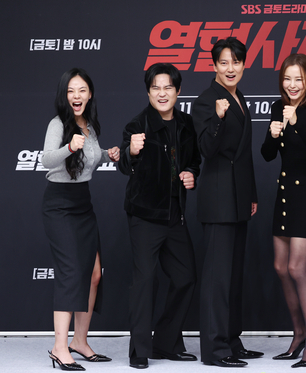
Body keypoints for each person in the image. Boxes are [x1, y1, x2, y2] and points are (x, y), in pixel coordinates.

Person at [118, 63, 200, 369]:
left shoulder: (186, 124)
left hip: (175, 216)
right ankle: (139, 350)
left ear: (178, 91)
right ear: (148, 91)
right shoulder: (136, 125)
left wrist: (192, 173)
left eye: (168, 87)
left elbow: (194, 161)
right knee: (145, 281)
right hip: (145, 216)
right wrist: (132, 152)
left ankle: (165, 342)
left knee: (186, 277)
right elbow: (125, 165)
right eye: (156, 88)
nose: (162, 93)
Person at [42, 68, 119, 370]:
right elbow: (47, 159)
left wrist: (107, 153)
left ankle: (80, 341)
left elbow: (91, 157)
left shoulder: (89, 125)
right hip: (59, 205)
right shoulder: (57, 124)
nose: (77, 96)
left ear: (89, 94)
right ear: (65, 95)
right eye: (71, 91)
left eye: (82, 90)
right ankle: (59, 348)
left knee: (94, 273)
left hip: (82, 203)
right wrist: (68, 146)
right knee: (71, 272)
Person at [192, 37, 261, 368]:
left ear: (243, 65)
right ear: (214, 66)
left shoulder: (240, 96)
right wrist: (218, 119)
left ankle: (232, 341)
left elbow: (244, 155)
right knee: (217, 280)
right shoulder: (207, 100)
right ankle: (215, 350)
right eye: (224, 62)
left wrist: (251, 195)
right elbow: (207, 150)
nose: (230, 68)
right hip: (217, 199)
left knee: (233, 278)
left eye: (236, 62)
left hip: (238, 198)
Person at [261, 54, 306, 368]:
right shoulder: (277, 107)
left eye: (298, 79)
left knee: (298, 268)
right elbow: (266, 154)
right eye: (287, 79)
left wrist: (296, 123)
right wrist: (273, 134)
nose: (292, 85)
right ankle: (299, 332)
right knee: (280, 266)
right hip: (286, 192)